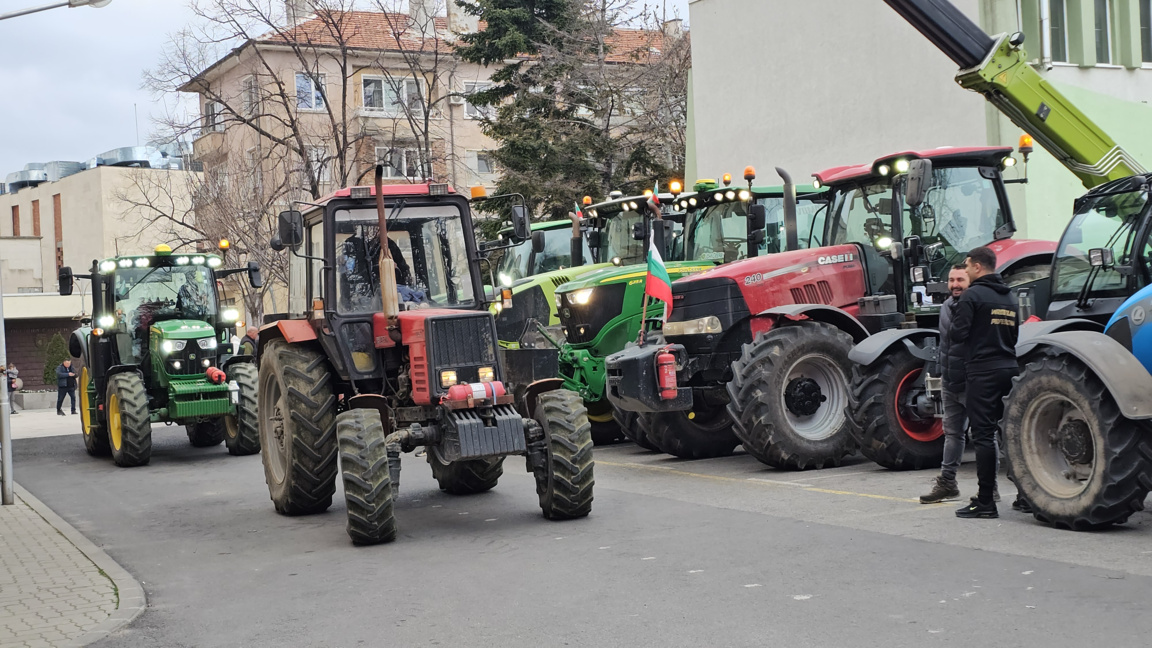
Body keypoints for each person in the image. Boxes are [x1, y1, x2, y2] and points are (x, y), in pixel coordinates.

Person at [950, 246, 1021, 519]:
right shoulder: (1011, 297)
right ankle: (1025, 496)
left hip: (982, 372)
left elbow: (958, 334)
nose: (965, 271)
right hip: (1009, 367)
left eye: (967, 266)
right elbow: (1014, 336)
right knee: (1012, 435)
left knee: (983, 436)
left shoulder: (972, 296)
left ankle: (985, 501)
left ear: (978, 266)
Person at [919, 265, 970, 504]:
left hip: (973, 381)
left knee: (985, 435)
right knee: (952, 433)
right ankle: (948, 482)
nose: (955, 284)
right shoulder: (947, 306)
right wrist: (939, 370)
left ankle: (991, 489)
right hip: (951, 380)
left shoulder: (975, 305)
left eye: (960, 279)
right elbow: (945, 343)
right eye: (951, 280)